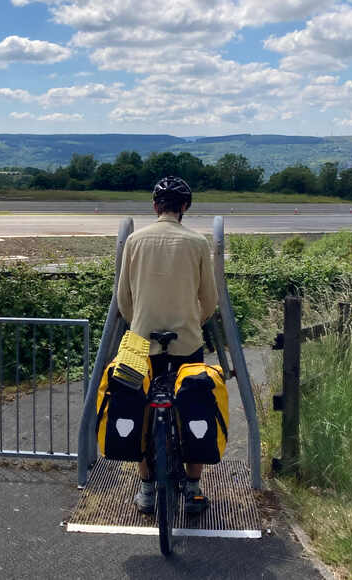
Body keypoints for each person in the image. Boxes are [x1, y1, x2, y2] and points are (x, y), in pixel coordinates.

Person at [116, 176, 218, 515]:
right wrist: (193, 322)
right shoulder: (198, 242)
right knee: (193, 407)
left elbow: (123, 299)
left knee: (137, 407)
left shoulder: (134, 240)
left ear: (155, 206)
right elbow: (210, 300)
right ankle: (192, 488)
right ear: (185, 207)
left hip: (140, 340)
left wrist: (138, 323)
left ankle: (146, 488)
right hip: (186, 339)